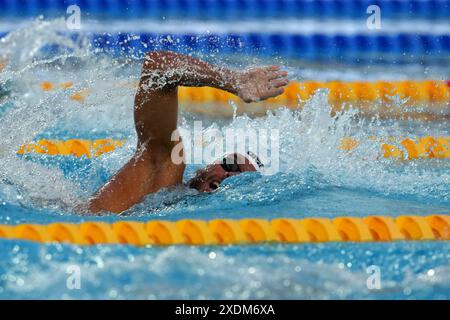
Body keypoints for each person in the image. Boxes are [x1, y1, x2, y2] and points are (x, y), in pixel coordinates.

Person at [88, 51, 289, 214]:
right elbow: (157, 67)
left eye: (239, 179)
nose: (228, 174)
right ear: (210, 164)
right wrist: (232, 80)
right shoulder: (165, 167)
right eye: (230, 164)